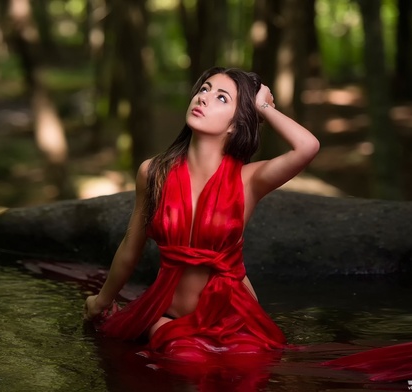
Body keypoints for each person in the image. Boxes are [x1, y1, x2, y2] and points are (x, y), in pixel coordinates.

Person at [82, 66, 320, 361]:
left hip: (232, 316)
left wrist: (263, 106)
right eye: (204, 89)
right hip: (168, 316)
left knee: (252, 365)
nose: (204, 98)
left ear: (235, 124)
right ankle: (162, 333)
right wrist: (102, 301)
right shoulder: (153, 173)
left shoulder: (249, 180)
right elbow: (131, 246)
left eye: (222, 98)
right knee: (186, 360)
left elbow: (308, 147)